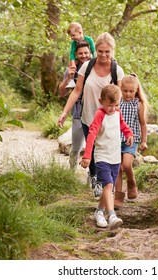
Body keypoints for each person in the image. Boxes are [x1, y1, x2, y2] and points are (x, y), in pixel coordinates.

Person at [56, 32, 125, 198]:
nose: (103, 55)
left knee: (104, 149)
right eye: (100, 51)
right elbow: (76, 91)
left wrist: (123, 123)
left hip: (108, 119)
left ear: (112, 51)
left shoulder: (117, 71)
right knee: (92, 148)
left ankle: (104, 182)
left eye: (107, 51)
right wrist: (65, 112)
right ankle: (96, 180)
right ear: (96, 50)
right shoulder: (87, 67)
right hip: (88, 116)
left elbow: (119, 98)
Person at [80, 84, 133, 229]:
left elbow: (123, 126)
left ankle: (99, 212)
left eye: (116, 105)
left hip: (115, 157)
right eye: (110, 105)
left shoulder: (117, 113)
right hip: (102, 156)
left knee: (109, 188)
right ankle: (112, 215)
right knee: (108, 185)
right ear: (101, 101)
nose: (113, 108)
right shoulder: (100, 115)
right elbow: (91, 135)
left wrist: (129, 134)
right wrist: (87, 156)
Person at [114, 74, 148, 208]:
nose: (128, 94)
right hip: (116, 139)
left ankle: (131, 182)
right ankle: (118, 196)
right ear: (120, 89)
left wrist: (144, 141)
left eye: (131, 91)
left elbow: (143, 124)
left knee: (127, 165)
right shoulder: (117, 102)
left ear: (136, 90)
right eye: (125, 91)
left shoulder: (138, 104)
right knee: (117, 168)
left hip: (131, 140)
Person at [58, 40, 91, 170]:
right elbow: (61, 92)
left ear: (90, 53)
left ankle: (91, 176)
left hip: (94, 112)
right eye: (80, 53)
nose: (84, 56)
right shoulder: (71, 69)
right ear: (76, 55)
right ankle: (71, 172)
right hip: (78, 112)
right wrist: (68, 77)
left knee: (93, 146)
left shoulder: (95, 68)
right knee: (76, 147)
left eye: (86, 53)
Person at [66, 22, 95, 89]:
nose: (72, 38)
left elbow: (93, 51)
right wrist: (73, 64)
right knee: (72, 65)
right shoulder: (74, 43)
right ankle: (71, 80)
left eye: (73, 35)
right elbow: (72, 53)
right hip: (78, 60)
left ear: (80, 32)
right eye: (71, 36)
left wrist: (93, 60)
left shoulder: (89, 39)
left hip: (90, 59)